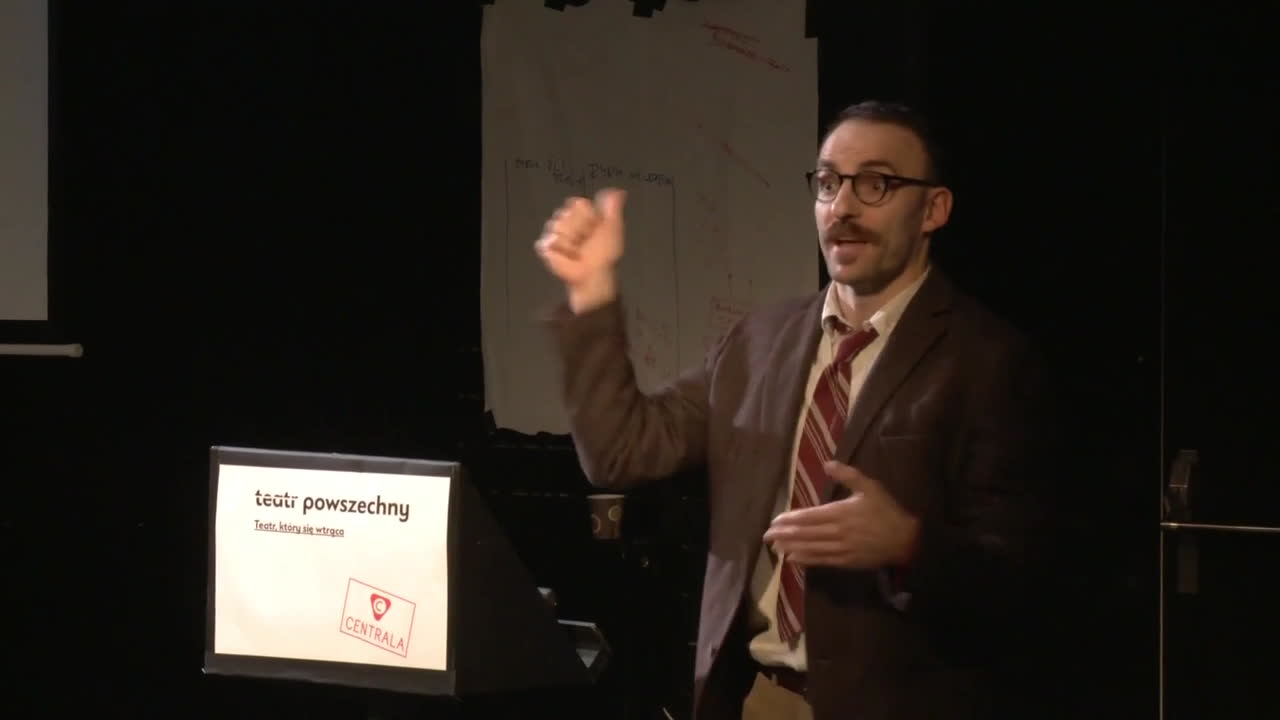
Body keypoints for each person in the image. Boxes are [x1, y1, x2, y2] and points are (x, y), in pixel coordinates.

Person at [534, 100, 1064, 720]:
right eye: (829, 182)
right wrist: (591, 291)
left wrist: (909, 545)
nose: (842, 207)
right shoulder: (761, 341)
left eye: (875, 183)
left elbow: (1019, 583)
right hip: (759, 699)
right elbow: (623, 451)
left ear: (934, 209)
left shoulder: (986, 361)